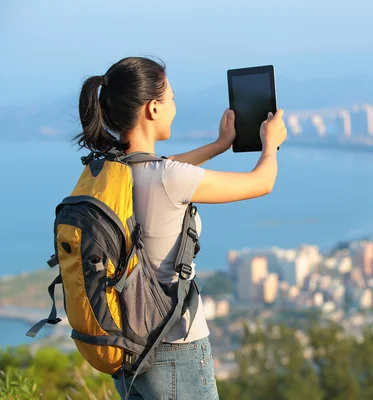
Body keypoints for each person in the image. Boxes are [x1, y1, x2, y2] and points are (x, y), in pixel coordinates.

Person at [74, 56, 288, 400]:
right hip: (176, 347)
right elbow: (261, 182)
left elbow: (165, 169)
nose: (175, 106)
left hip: (130, 346)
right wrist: (270, 142)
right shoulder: (167, 178)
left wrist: (220, 145)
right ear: (153, 109)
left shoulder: (109, 172)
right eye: (171, 98)